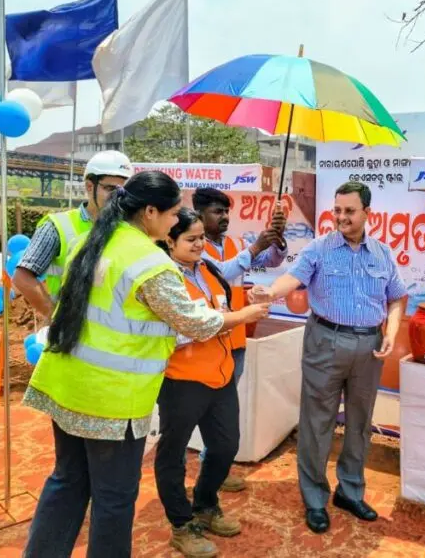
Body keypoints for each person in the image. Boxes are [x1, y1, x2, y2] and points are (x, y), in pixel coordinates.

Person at [22, 171, 269, 558]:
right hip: (111, 399)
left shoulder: (91, 240)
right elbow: (195, 322)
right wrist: (244, 314)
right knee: (114, 499)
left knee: (67, 482)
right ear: (150, 211)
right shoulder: (148, 262)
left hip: (66, 384)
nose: (177, 222)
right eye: (173, 215)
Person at [255, 181, 406, 534]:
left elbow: (397, 298)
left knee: (359, 423)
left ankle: (350, 492)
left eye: (350, 211)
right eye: (337, 210)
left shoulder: (383, 254)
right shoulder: (319, 249)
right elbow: (292, 279)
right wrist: (269, 292)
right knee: (317, 423)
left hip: (369, 347)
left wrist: (392, 332)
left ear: (368, 213)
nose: (341, 217)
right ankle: (315, 499)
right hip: (325, 341)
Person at [155, 208, 250, 557]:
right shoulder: (165, 279)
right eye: (191, 239)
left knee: (226, 446)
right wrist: (231, 319)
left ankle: (206, 504)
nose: (200, 245)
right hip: (182, 379)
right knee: (173, 454)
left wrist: (239, 310)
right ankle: (181, 525)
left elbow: (220, 310)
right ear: (170, 240)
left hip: (221, 374)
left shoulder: (208, 271)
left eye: (201, 239)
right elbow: (181, 332)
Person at [191, 187, 287, 492]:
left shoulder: (234, 242)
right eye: (217, 212)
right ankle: (202, 469)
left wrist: (277, 236)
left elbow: (272, 261)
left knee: (224, 408)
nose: (224, 217)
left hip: (236, 336)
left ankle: (215, 467)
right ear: (199, 214)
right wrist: (257, 246)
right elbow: (222, 272)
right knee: (205, 408)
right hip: (209, 338)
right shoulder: (194, 247)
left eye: (226, 211)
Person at [14, 150, 134, 319]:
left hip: (114, 334)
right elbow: (23, 277)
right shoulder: (57, 226)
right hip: (72, 337)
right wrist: (56, 319)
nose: (117, 197)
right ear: (89, 186)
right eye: (109, 188)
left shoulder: (130, 228)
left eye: (122, 190)